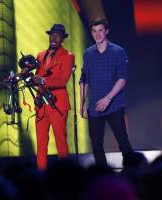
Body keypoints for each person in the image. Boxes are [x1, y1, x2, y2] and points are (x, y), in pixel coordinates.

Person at [79, 18, 133, 166]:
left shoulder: (118, 51)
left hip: (114, 105)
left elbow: (123, 78)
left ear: (106, 31)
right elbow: (84, 80)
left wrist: (108, 98)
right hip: (94, 107)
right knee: (96, 144)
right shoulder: (88, 54)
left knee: (122, 140)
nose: (97, 34)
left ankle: (133, 172)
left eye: (100, 30)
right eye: (94, 31)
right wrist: (82, 104)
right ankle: (101, 175)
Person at [32, 24, 75, 170]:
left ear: (62, 39)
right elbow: (33, 76)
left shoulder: (68, 56)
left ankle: (65, 175)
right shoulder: (40, 55)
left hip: (57, 104)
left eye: (58, 35)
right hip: (41, 105)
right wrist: (18, 77)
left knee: (60, 142)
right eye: (52, 35)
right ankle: (41, 175)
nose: (54, 38)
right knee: (41, 143)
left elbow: (63, 80)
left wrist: (43, 80)